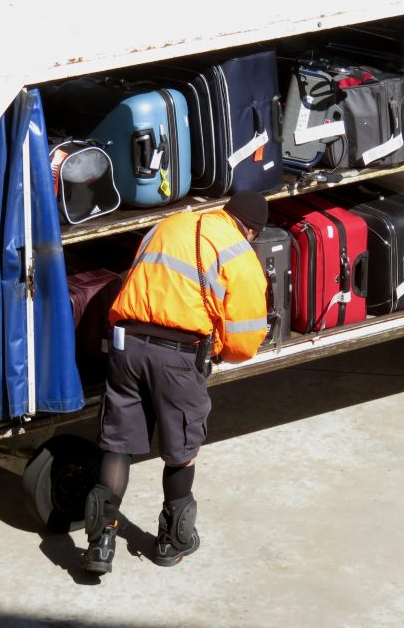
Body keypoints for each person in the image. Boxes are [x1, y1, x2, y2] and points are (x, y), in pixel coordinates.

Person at [82, 190, 270, 575]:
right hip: (178, 357)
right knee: (182, 450)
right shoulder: (238, 252)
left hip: (126, 347)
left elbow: (137, 276)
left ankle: (100, 544)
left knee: (118, 444)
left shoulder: (169, 225)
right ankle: (172, 541)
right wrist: (217, 350)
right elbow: (244, 341)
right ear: (251, 231)